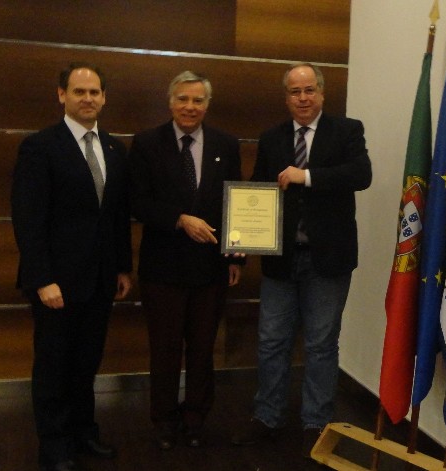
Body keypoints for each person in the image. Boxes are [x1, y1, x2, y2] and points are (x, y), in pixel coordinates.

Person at [231, 63, 372, 458]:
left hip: (327, 261)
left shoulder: (347, 130)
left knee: (322, 345)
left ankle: (317, 423)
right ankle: (267, 416)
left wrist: (304, 176)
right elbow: (258, 191)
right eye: (295, 92)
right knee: (271, 341)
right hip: (281, 261)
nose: (303, 98)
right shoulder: (272, 137)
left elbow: (361, 174)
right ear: (286, 97)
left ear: (323, 93)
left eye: (310, 90)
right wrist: (240, 236)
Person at [11, 62, 132, 471]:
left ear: (104, 97)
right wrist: (42, 278)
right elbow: (28, 219)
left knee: (86, 364)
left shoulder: (114, 148)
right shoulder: (40, 147)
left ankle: (84, 433)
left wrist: (122, 269)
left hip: (99, 282)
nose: (88, 99)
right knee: (53, 367)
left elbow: (116, 216)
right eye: (79, 92)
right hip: (56, 284)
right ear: (61, 95)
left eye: (95, 92)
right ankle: (54, 446)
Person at [128, 70, 243, 450]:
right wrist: (178, 219)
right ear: (170, 102)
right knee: (164, 349)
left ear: (207, 104)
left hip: (210, 268)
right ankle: (163, 419)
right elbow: (136, 202)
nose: (190, 107)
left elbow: (235, 202)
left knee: (201, 348)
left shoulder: (226, 144)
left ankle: (195, 417)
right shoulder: (146, 144)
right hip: (163, 269)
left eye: (197, 100)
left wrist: (235, 257)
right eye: (183, 99)